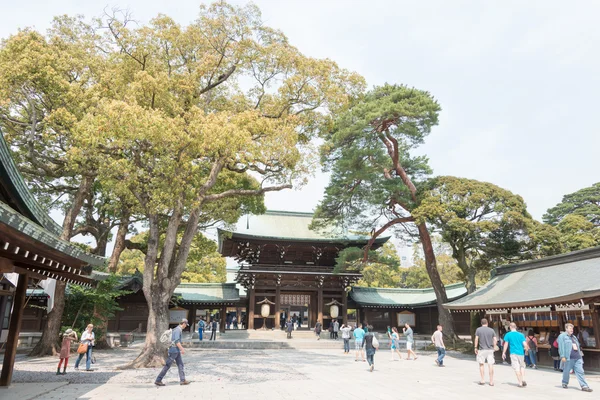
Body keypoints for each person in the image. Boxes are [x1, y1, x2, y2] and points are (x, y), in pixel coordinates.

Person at [155, 319, 191, 386]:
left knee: (180, 364)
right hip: (174, 350)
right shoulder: (178, 330)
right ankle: (158, 380)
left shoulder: (176, 329)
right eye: (186, 325)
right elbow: (176, 341)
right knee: (167, 365)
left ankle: (182, 380)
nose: (186, 326)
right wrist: (182, 349)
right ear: (184, 323)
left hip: (175, 350)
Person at [558, 323, 593, 392]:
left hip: (577, 357)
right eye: (570, 328)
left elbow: (577, 346)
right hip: (569, 357)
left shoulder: (574, 337)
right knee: (566, 371)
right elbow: (561, 347)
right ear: (566, 329)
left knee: (580, 371)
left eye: (572, 328)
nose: (572, 330)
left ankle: (584, 386)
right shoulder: (562, 336)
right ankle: (564, 382)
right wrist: (562, 356)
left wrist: (580, 354)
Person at [502, 322, 528, 388]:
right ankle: (523, 379)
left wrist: (503, 352)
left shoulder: (508, 335)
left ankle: (520, 383)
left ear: (510, 327)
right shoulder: (521, 335)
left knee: (516, 367)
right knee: (522, 366)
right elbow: (525, 344)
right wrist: (526, 350)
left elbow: (506, 344)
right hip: (521, 353)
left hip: (513, 353)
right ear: (515, 327)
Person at [474, 318, 497, 386]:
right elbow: (495, 339)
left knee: (481, 364)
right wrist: (494, 346)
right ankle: (491, 381)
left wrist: (475, 347)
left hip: (482, 349)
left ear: (481, 323)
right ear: (487, 323)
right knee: (490, 365)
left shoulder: (478, 330)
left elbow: (476, 339)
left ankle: (482, 380)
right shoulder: (491, 330)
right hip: (490, 349)